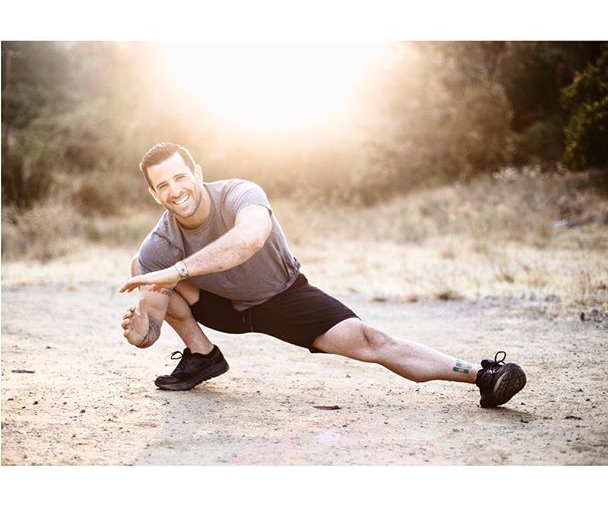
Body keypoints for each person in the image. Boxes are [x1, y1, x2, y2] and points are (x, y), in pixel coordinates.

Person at [119, 142, 526, 408]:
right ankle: (202, 355)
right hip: (220, 309)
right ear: (154, 195)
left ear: (197, 173)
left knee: (371, 341)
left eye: (179, 177)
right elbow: (153, 315)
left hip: (283, 298)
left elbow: (249, 239)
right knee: (145, 268)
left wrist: (179, 270)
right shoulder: (160, 242)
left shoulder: (240, 193)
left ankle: (483, 375)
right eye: (163, 186)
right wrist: (143, 334)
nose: (175, 190)